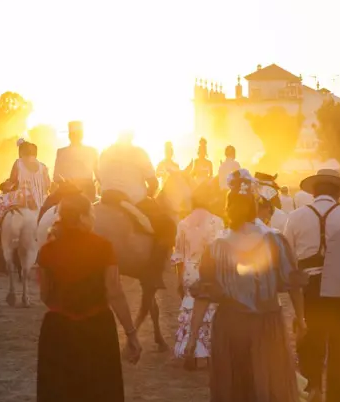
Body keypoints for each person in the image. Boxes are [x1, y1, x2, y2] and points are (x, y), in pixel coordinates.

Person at [185, 169, 306, 401]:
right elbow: (293, 284)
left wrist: (192, 338)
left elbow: (203, 295)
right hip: (267, 326)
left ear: (228, 208)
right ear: (254, 206)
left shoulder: (216, 247)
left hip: (230, 328)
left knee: (234, 390)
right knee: (269, 389)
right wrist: (301, 318)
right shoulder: (275, 240)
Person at [36, 193, 142, 402]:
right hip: (97, 329)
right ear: (84, 217)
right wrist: (131, 333)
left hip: (58, 330)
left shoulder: (47, 250)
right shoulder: (103, 246)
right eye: (91, 214)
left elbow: (45, 295)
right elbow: (114, 292)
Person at [285, 168, 340, 402]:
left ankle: (311, 389)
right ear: (338, 194)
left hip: (308, 290)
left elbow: (288, 263)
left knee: (309, 346)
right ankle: (337, 397)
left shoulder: (295, 217)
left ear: (313, 192)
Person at [99, 131, 176, 289]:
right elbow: (153, 182)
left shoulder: (105, 152)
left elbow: (99, 177)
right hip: (134, 199)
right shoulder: (139, 153)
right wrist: (148, 194)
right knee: (168, 225)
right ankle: (154, 272)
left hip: (106, 197)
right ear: (132, 136)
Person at [171, 181, 224, 364]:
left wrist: (179, 278)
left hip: (189, 270)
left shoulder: (183, 223)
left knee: (190, 310)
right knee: (210, 310)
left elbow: (178, 254)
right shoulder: (217, 221)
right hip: (210, 270)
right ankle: (209, 353)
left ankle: (189, 351)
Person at [52, 121, 99, 201]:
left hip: (87, 191)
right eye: (74, 134)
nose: (76, 136)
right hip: (68, 191)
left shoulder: (92, 151)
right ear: (69, 135)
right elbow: (56, 176)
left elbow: (98, 174)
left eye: (78, 134)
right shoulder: (61, 152)